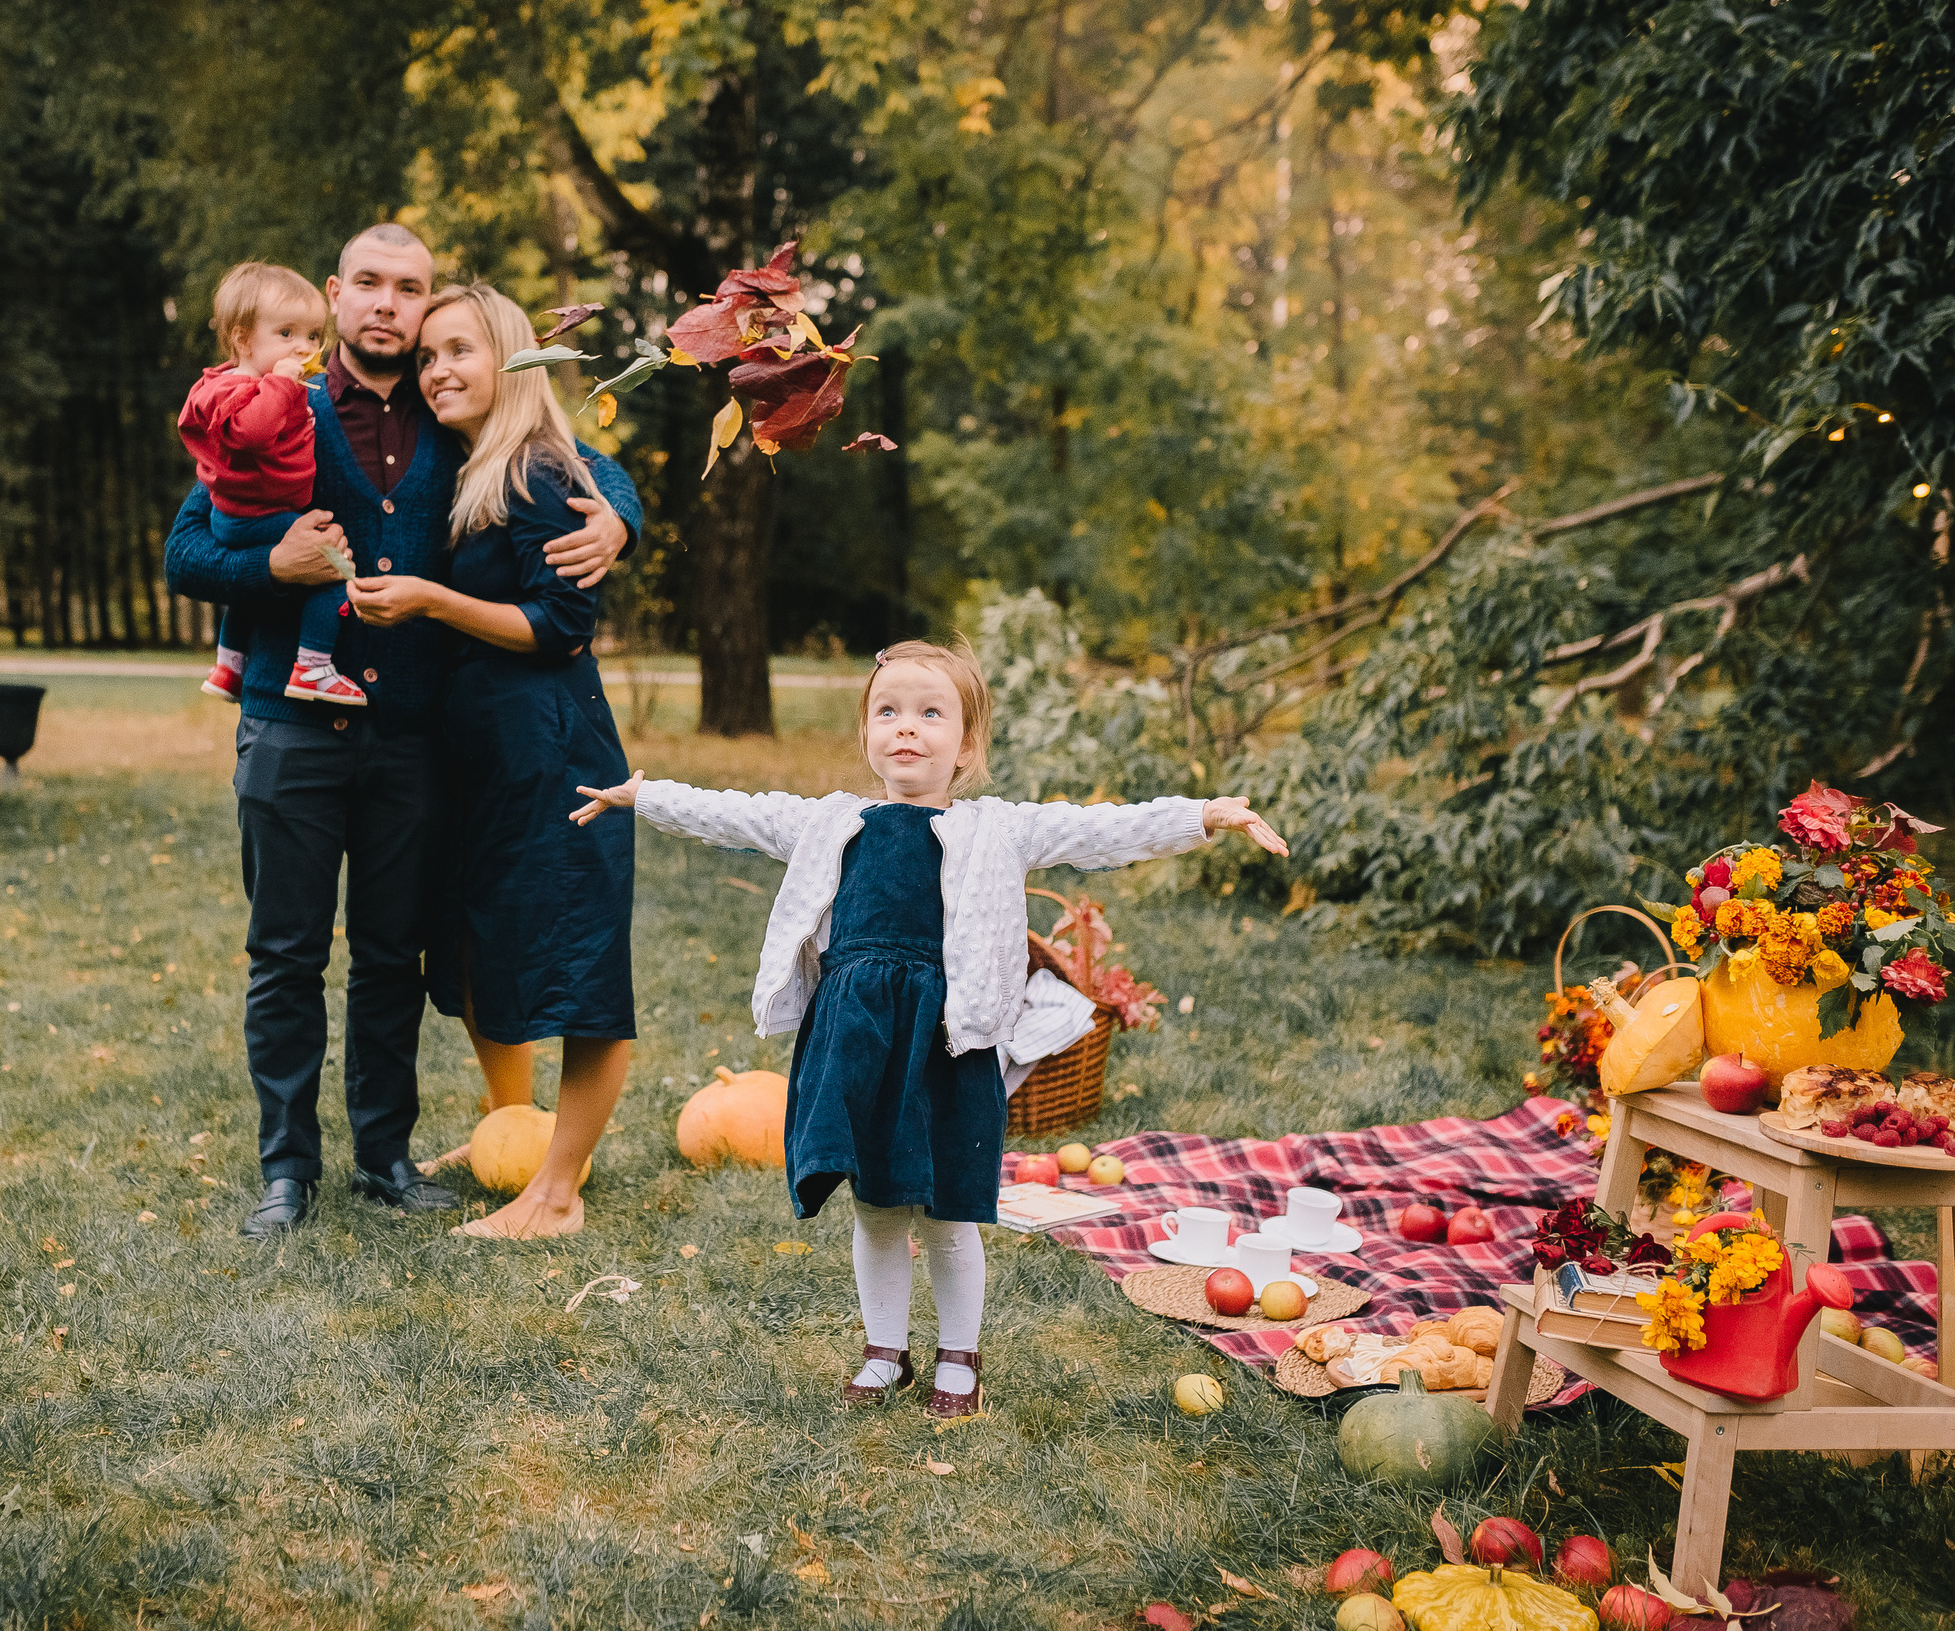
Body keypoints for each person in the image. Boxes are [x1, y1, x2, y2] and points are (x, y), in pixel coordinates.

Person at [570, 639, 1289, 1416]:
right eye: (888, 711)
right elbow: (735, 813)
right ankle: (885, 1352)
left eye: (930, 712)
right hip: (862, 1042)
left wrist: (1204, 816)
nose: (906, 727)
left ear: (967, 743)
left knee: (948, 1211)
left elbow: (1100, 830)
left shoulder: (998, 829)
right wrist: (646, 795)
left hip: (949, 1042)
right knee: (877, 1206)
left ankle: (959, 1356)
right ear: (867, 733)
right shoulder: (830, 822)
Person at [162, 224, 643, 1241]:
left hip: (416, 739)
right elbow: (186, 549)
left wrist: (622, 517)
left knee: (389, 954)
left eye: (409, 289)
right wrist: (270, 571)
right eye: (368, 284)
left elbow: (571, 457)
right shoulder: (274, 402)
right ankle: (287, 1167)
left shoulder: (451, 414)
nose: (387, 304)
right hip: (289, 728)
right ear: (336, 295)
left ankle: (384, 1153)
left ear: (427, 308)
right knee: (285, 953)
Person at [343, 283, 634, 1240]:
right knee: (475, 950)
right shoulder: (476, 465)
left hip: (555, 754)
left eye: (460, 350)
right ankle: (511, 1129)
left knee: (581, 967)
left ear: (509, 360)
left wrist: (430, 599)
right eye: (428, 358)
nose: (437, 371)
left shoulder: (541, 470)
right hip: (483, 760)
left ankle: (555, 1192)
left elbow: (558, 627)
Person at [178, 262, 357, 708]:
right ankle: (313, 667)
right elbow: (253, 432)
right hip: (254, 516)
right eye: (286, 334)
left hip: (247, 516)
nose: (304, 348)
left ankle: (228, 665)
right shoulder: (241, 389)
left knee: (248, 594)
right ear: (242, 338)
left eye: (314, 336)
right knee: (332, 569)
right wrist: (282, 383)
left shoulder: (250, 385)